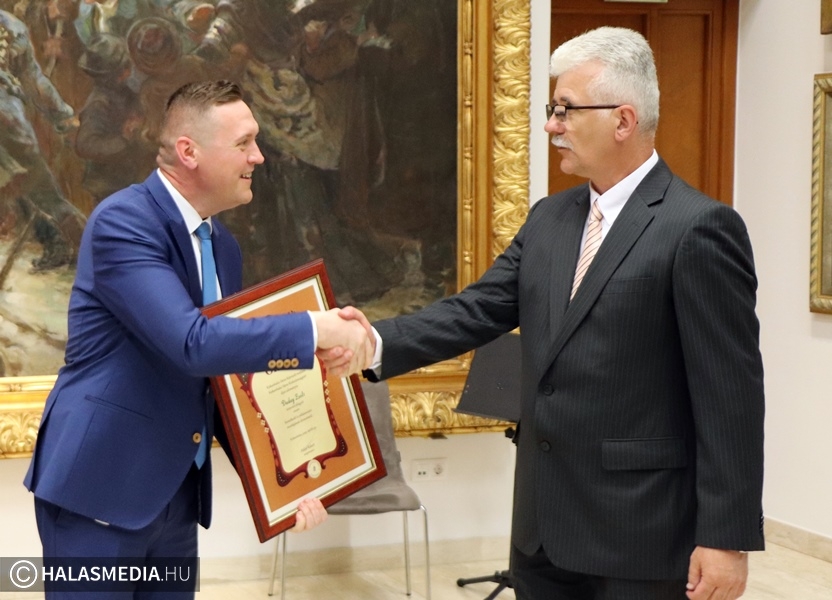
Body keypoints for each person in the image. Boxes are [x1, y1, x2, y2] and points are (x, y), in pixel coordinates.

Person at [336, 26, 765, 600]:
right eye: (551, 110)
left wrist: (726, 538)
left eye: (565, 110)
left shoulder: (699, 227)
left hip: (640, 535)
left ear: (623, 120)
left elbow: (731, 397)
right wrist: (373, 341)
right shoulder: (549, 218)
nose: (551, 126)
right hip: (542, 534)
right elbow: (476, 310)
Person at [24, 80, 374, 597]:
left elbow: (225, 380)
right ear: (189, 151)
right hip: (101, 489)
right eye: (244, 143)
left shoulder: (222, 246)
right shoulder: (124, 221)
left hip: (177, 496)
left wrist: (289, 483)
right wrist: (313, 327)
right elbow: (192, 344)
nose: (258, 156)